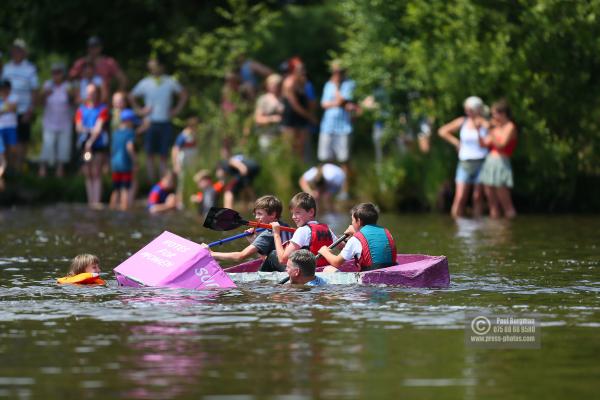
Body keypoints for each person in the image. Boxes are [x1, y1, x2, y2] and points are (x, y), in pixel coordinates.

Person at [129, 57, 188, 182]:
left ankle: (163, 182)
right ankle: (151, 183)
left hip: (165, 121)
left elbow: (183, 94)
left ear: (161, 67)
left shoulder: (169, 81)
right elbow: (131, 96)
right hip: (150, 122)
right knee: (149, 154)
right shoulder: (145, 82)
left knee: (163, 154)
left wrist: (176, 110)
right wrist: (140, 111)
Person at [202, 195, 292, 270]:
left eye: (260, 214)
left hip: (283, 270)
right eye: (255, 214)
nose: (256, 217)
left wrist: (211, 253)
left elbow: (240, 256)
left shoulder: (267, 234)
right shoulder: (285, 226)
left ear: (273, 214)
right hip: (288, 267)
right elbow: (267, 259)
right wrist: (253, 241)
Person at [438, 96, 489, 218]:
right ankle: (457, 225)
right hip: (465, 162)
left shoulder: (485, 123)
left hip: (481, 162)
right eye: (467, 110)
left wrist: (482, 125)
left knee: (477, 197)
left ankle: (478, 224)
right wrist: (456, 142)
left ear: (478, 110)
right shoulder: (463, 121)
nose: (468, 113)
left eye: (470, 110)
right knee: (460, 196)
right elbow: (442, 131)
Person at [318, 203, 397, 272]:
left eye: (352, 220)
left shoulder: (355, 239)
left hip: (369, 282)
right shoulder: (387, 233)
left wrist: (325, 252)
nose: (351, 223)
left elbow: (336, 262)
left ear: (358, 221)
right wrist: (356, 232)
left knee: (328, 269)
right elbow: (369, 242)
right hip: (389, 273)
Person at [317, 60, 357, 198]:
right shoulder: (328, 85)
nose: (336, 74)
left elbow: (342, 100)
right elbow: (324, 104)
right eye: (334, 72)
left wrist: (336, 89)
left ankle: (344, 191)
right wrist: (337, 103)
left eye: (339, 72)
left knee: (344, 160)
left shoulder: (349, 84)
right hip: (327, 127)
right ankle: (325, 191)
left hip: (343, 128)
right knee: (325, 160)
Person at [271, 192, 336, 268]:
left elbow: (283, 260)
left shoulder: (302, 231)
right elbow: (343, 247)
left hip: (307, 272)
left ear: (311, 212)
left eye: (297, 213)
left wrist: (276, 234)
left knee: (272, 255)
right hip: (324, 268)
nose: (293, 217)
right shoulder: (326, 228)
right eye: (292, 213)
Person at [1, 39, 39, 171]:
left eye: (19, 50)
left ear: (24, 52)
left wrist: (30, 110)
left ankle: (19, 169)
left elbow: (35, 90)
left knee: (22, 140)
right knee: (7, 141)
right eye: (14, 50)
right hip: (7, 112)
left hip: (23, 110)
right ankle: (8, 169)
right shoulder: (6, 68)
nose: (16, 52)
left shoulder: (30, 69)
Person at [478, 99, 517, 219]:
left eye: (495, 113)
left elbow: (501, 145)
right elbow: (483, 144)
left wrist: (490, 130)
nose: (493, 116)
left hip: (501, 163)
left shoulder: (510, 127)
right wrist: (478, 130)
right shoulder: (495, 128)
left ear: (503, 113)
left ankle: (508, 229)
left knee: (506, 202)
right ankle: (494, 231)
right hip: (490, 163)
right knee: (491, 203)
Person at [75, 83, 109, 208]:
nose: (91, 95)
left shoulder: (102, 109)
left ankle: (96, 201)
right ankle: (91, 201)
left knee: (96, 172)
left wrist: (90, 140)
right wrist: (89, 132)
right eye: (89, 92)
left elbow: (98, 129)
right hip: (84, 144)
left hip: (98, 144)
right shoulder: (81, 109)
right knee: (88, 173)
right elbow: (78, 127)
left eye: (93, 92)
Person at [38, 62, 74, 178]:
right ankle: (43, 168)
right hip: (49, 121)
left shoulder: (68, 86)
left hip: (64, 121)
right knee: (47, 145)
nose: (56, 75)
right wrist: (44, 95)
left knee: (64, 146)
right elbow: (39, 102)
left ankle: (60, 169)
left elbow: (73, 101)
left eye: (58, 72)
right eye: (54, 73)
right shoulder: (47, 85)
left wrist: (70, 95)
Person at [281, 57, 317, 160]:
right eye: (300, 69)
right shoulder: (289, 83)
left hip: (302, 119)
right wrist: (310, 116)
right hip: (290, 119)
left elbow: (308, 100)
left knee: (301, 150)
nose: (303, 71)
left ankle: (301, 171)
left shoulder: (303, 82)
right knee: (290, 150)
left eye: (303, 69)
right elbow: (294, 105)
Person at [109, 109, 137, 211]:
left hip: (115, 164)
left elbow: (112, 149)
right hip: (125, 164)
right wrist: (135, 161)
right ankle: (125, 210)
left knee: (116, 189)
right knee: (126, 188)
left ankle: (112, 209)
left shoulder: (115, 133)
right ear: (128, 121)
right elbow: (129, 147)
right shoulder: (130, 133)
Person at [254, 73, 283, 152]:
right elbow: (258, 119)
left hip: (282, 135)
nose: (274, 86)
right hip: (267, 134)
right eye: (272, 84)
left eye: (277, 84)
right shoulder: (263, 100)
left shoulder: (284, 99)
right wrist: (272, 119)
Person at [0, 79, 18, 175]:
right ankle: (3, 170)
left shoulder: (14, 97)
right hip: (0, 127)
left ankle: (11, 169)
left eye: (5, 88)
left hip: (11, 126)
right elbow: (9, 108)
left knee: (12, 149)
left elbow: (13, 108)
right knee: (2, 150)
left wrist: (5, 102)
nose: (3, 90)